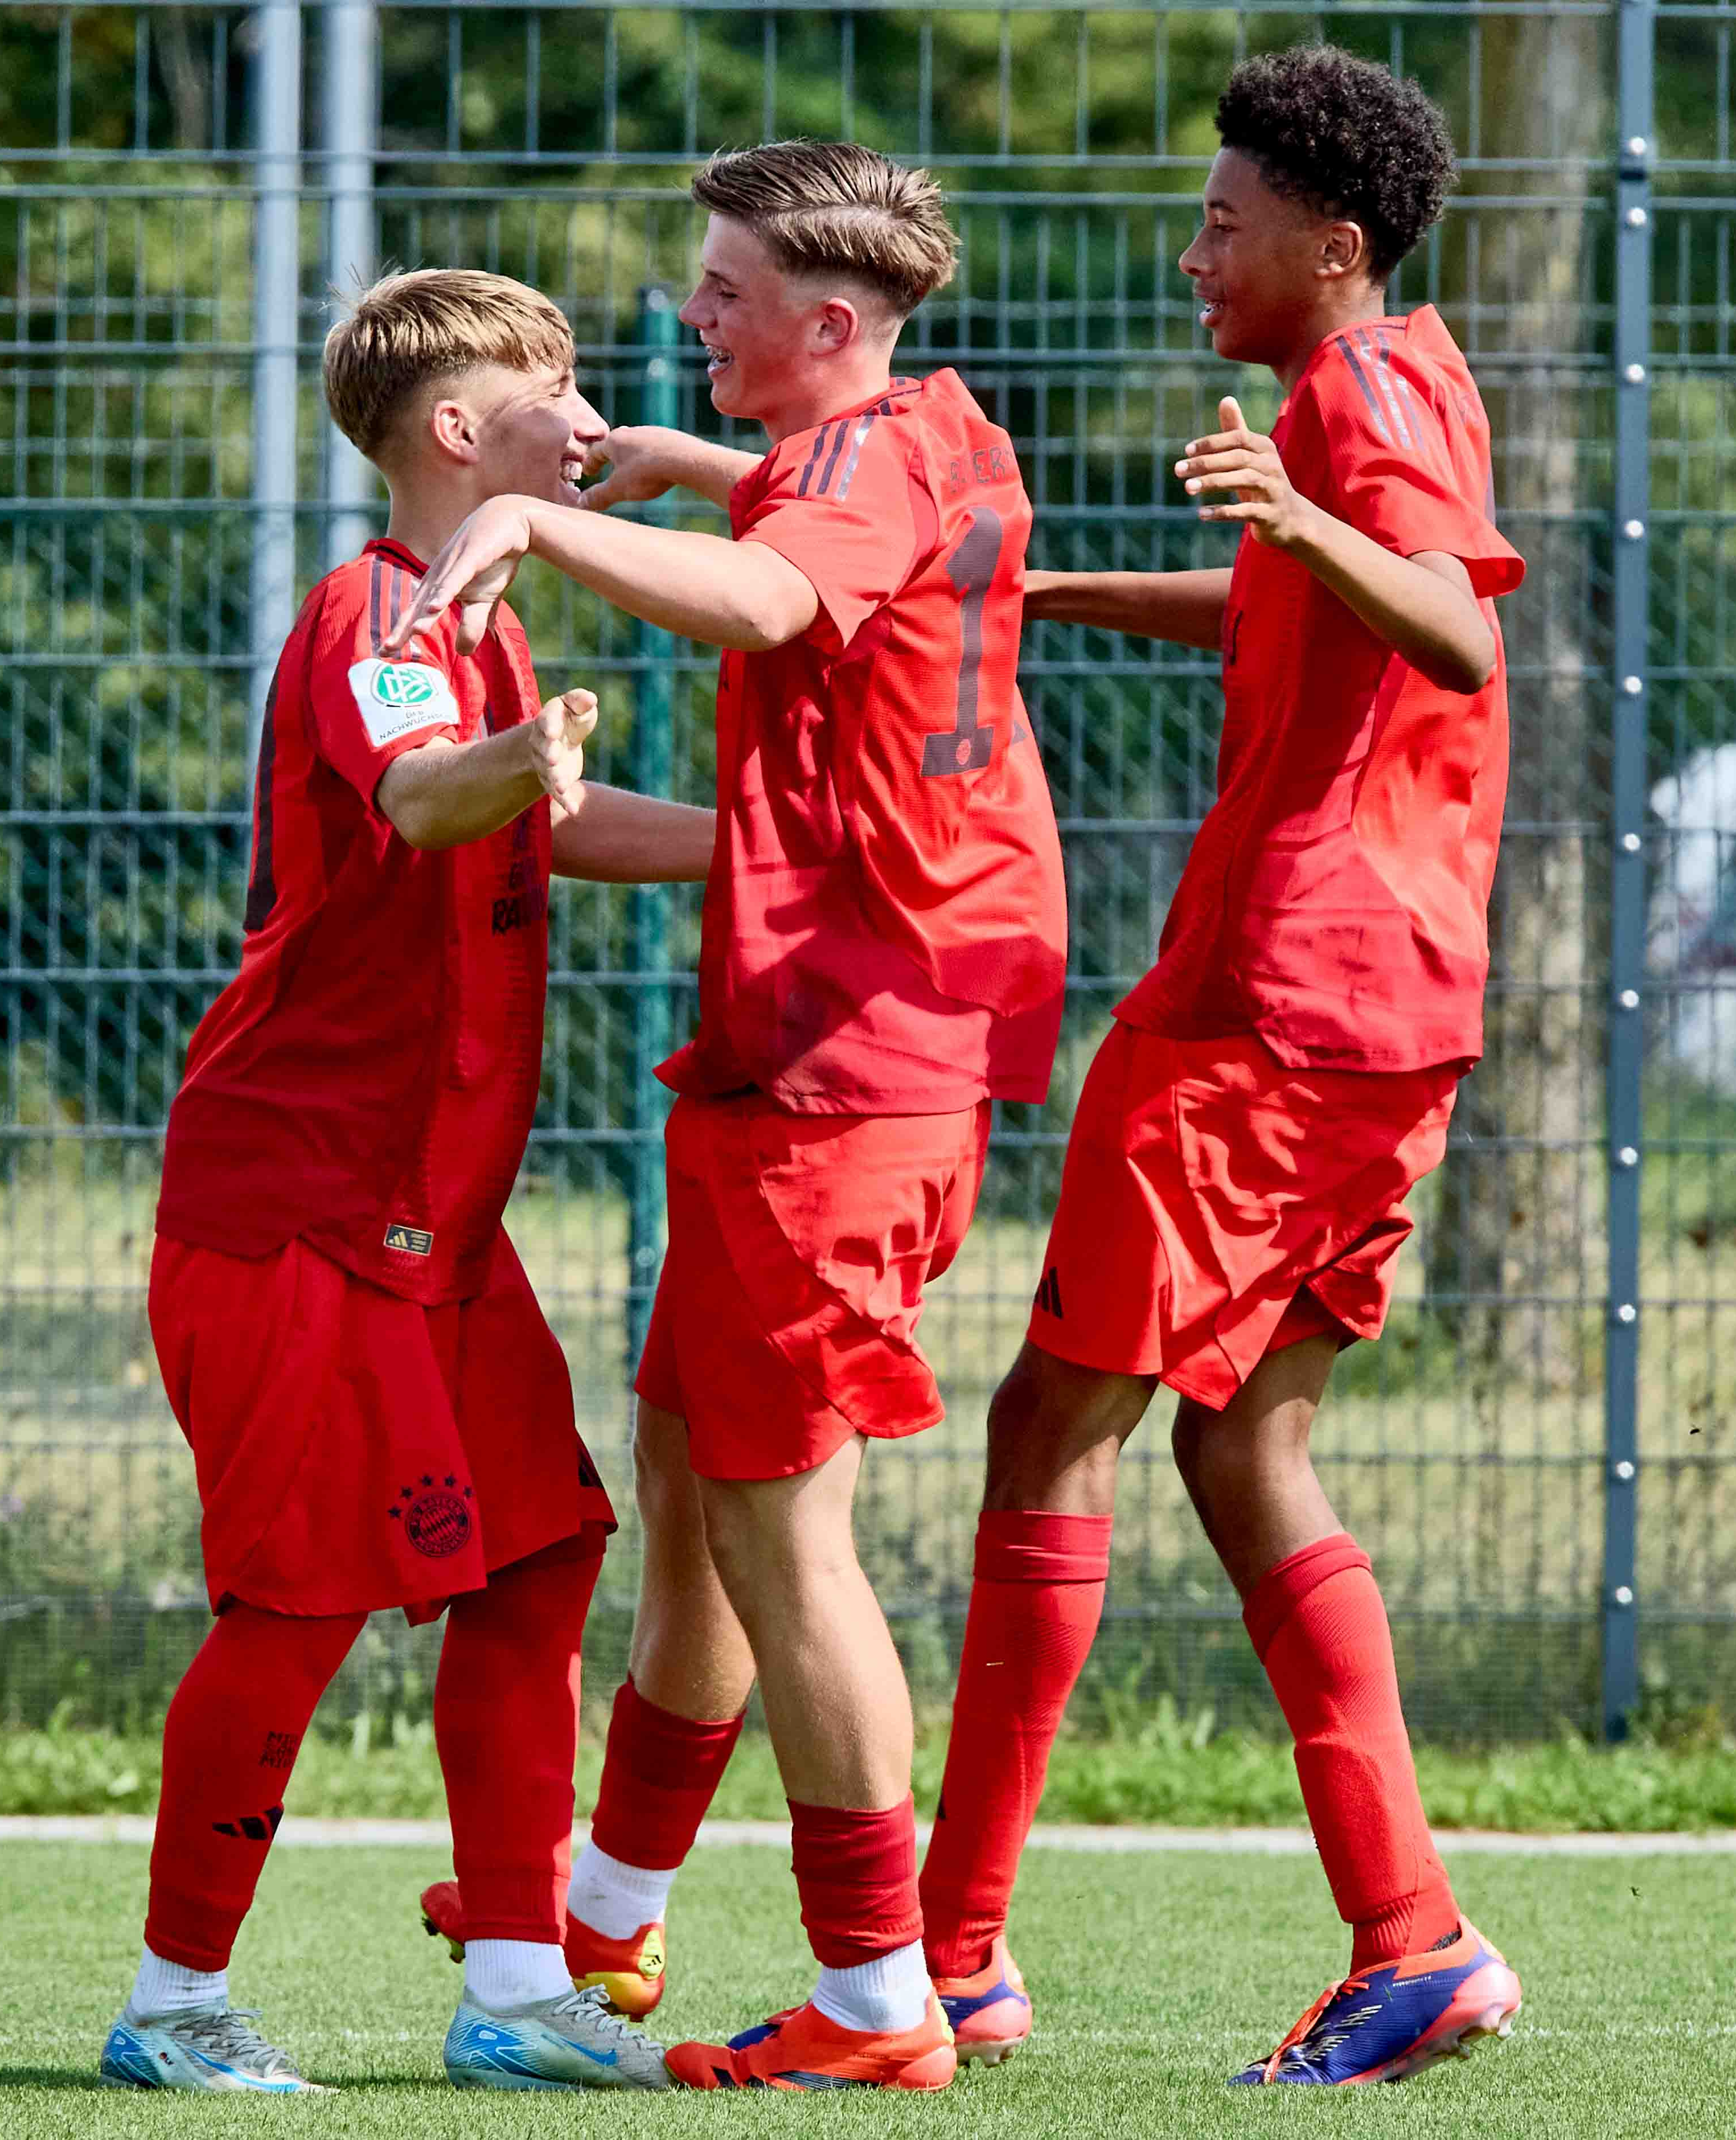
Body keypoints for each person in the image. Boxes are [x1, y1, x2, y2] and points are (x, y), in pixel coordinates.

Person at [384, 138, 1068, 2094]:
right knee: (688, 1481)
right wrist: (691, 473)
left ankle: (880, 1995)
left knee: (784, 1529)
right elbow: (818, 527)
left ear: (830, 325)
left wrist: (545, 536)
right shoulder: (932, 430)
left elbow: (776, 599)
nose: (695, 314)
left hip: (853, 1064)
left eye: (729, 293)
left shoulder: (843, 478)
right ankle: (608, 1901)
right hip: (823, 1040)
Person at [908, 45, 1530, 2085]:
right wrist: (1033, 599)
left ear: (1330, 249)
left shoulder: (1346, 400)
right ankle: (1412, 1938)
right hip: (1394, 1019)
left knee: (1041, 1441)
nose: (1195, 258)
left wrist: (1286, 500)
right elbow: (1310, 611)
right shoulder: (1405, 376)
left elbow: (1447, 625)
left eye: (1224, 227)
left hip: (1276, 1012)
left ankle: (949, 1962)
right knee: (1243, 1447)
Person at [101, 268, 712, 2097]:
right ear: (462, 431)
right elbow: (433, 794)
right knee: (294, 1608)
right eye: (560, 387)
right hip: (293, 1211)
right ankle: (172, 2009)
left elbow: (555, 813)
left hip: (431, 1230)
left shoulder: (497, 621)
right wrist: (518, 758)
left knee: (538, 1560)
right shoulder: (380, 611)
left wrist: (785, 854)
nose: (591, 414)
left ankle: (517, 1995)